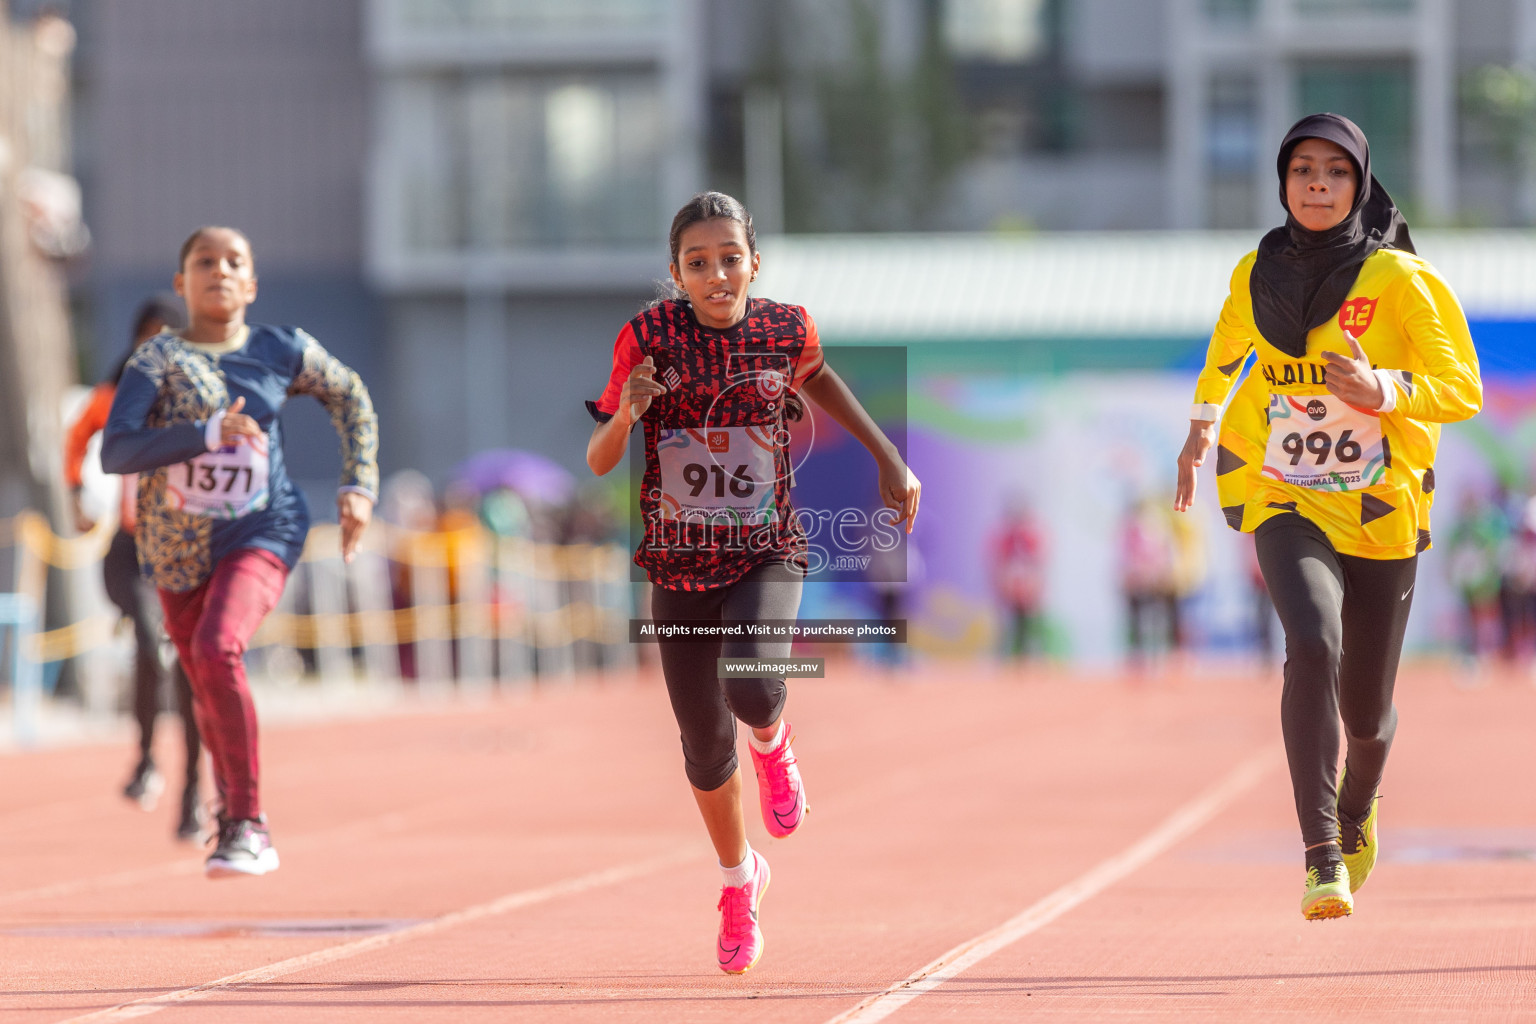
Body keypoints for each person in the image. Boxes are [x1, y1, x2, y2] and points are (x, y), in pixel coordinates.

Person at [585, 192, 920, 973]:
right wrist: (627, 416)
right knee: (702, 747)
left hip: (766, 548)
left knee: (754, 689)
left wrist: (887, 457)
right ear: (676, 275)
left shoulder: (785, 327)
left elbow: (822, 373)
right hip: (677, 563)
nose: (717, 274)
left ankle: (775, 743)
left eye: (730, 258)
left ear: (754, 264)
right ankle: (741, 880)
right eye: (698, 264)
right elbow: (600, 457)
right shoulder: (646, 339)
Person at [1175, 114, 1481, 920]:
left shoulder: (1404, 282)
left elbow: (1463, 389)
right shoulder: (1255, 273)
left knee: (1368, 717)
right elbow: (1226, 350)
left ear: (1361, 183)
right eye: (1302, 170)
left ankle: (1354, 810)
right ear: (1281, 181)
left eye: (1335, 173)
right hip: (1285, 491)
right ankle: (1319, 855)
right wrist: (1204, 425)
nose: (1317, 185)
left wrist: (1384, 389)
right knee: (1310, 641)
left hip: (1381, 507)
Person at [103, 227, 378, 878]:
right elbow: (117, 450)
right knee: (201, 680)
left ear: (251, 284)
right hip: (174, 547)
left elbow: (351, 397)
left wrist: (358, 483)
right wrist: (205, 431)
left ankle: (247, 821)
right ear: (181, 283)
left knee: (215, 646)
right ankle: (230, 814)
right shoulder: (155, 362)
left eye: (234, 263)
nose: (219, 271)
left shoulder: (281, 349)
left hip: (262, 527)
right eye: (204, 262)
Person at [65, 295, 205, 840]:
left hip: (189, 551)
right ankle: (147, 760)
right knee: (152, 642)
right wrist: (77, 493)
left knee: (189, 668)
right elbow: (76, 438)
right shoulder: (117, 394)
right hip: (131, 550)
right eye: (147, 337)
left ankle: (193, 792)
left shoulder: (201, 395)